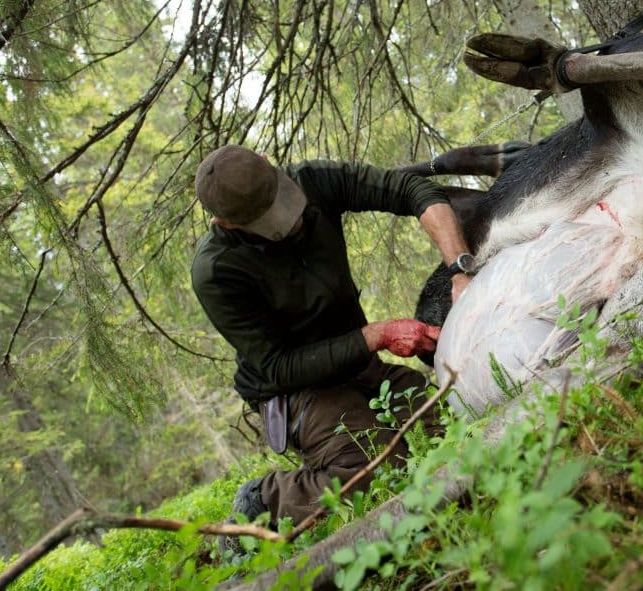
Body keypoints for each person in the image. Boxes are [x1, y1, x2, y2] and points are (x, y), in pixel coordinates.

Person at [189, 145, 477, 543]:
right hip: (297, 391)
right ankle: (266, 498)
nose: (287, 223)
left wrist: (459, 269)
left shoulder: (313, 180)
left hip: (359, 365)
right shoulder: (216, 271)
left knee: (448, 423)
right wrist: (379, 335)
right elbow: (279, 367)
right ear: (226, 224)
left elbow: (410, 189)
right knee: (376, 468)